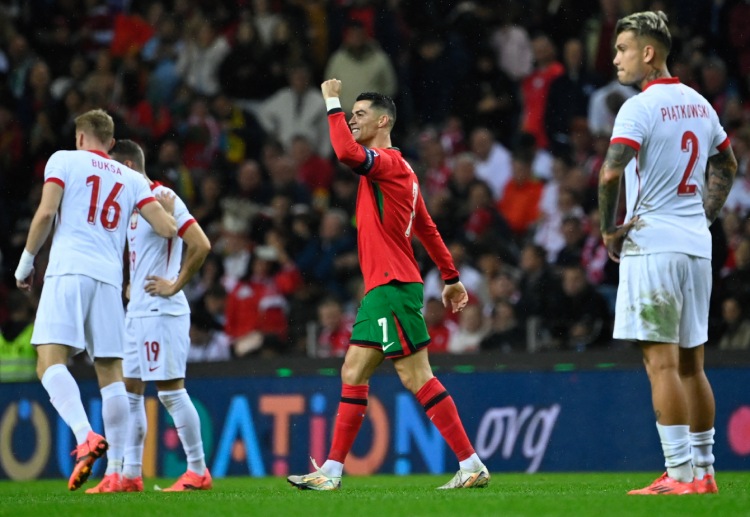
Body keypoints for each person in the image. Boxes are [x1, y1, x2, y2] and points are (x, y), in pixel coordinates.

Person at [287, 80, 489, 490]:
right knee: (354, 370)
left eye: (359, 115)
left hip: (392, 285)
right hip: (385, 287)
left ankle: (471, 464)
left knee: (416, 376)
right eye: (350, 114)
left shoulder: (389, 164)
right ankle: (332, 471)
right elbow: (427, 228)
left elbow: (345, 152)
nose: (352, 121)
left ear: (383, 121)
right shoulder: (401, 171)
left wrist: (331, 103)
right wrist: (450, 277)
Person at [597, 11, 737, 496]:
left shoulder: (638, 107)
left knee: (661, 365)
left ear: (648, 52)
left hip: (652, 245)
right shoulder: (699, 103)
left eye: (622, 49)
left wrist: (608, 231)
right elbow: (728, 163)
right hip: (696, 247)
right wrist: (704, 215)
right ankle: (705, 473)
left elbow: (610, 174)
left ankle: (678, 474)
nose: (616, 58)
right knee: (692, 366)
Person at [14, 109, 177, 491]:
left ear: (81, 138)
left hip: (69, 270)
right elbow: (166, 228)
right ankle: (117, 471)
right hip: (108, 280)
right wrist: (168, 209)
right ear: (111, 140)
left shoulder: (64, 160)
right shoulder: (134, 178)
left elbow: (46, 213)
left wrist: (25, 264)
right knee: (110, 373)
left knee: (48, 361)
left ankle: (85, 435)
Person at [107, 140, 212, 493]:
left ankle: (197, 470)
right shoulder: (132, 206)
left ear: (127, 165)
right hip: (137, 312)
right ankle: (131, 475)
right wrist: (129, 283)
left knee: (170, 393)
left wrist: (176, 284)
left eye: (112, 168)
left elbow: (200, 244)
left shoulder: (163, 196)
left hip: (161, 311)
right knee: (132, 393)